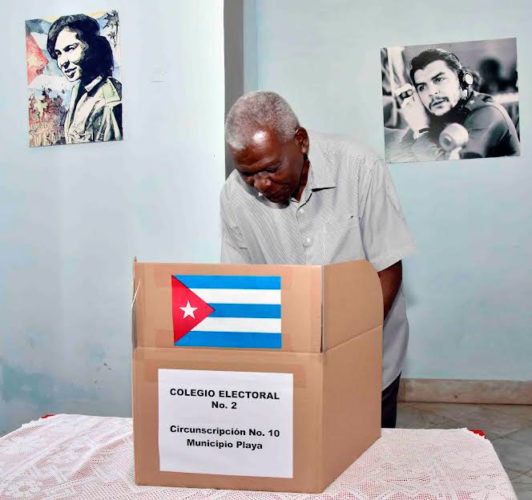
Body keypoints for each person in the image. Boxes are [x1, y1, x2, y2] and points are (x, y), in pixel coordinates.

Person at [221, 91, 416, 428]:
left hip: (368, 356)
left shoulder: (359, 167)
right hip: (291, 366)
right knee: (305, 449)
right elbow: (240, 286)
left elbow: (387, 268)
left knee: (370, 451)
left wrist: (349, 343)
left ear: (301, 141)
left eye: (271, 169)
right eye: (248, 174)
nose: (261, 184)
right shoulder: (234, 197)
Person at [393, 49, 519, 161]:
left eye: (439, 79)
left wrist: (422, 131)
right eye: (422, 87)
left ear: (462, 79)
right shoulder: (437, 113)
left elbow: (456, 171)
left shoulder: (488, 113)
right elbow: (399, 156)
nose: (431, 92)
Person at [47, 14, 122, 144]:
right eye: (58, 53)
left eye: (70, 49)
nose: (62, 62)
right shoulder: (78, 90)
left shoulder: (109, 101)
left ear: (91, 47)